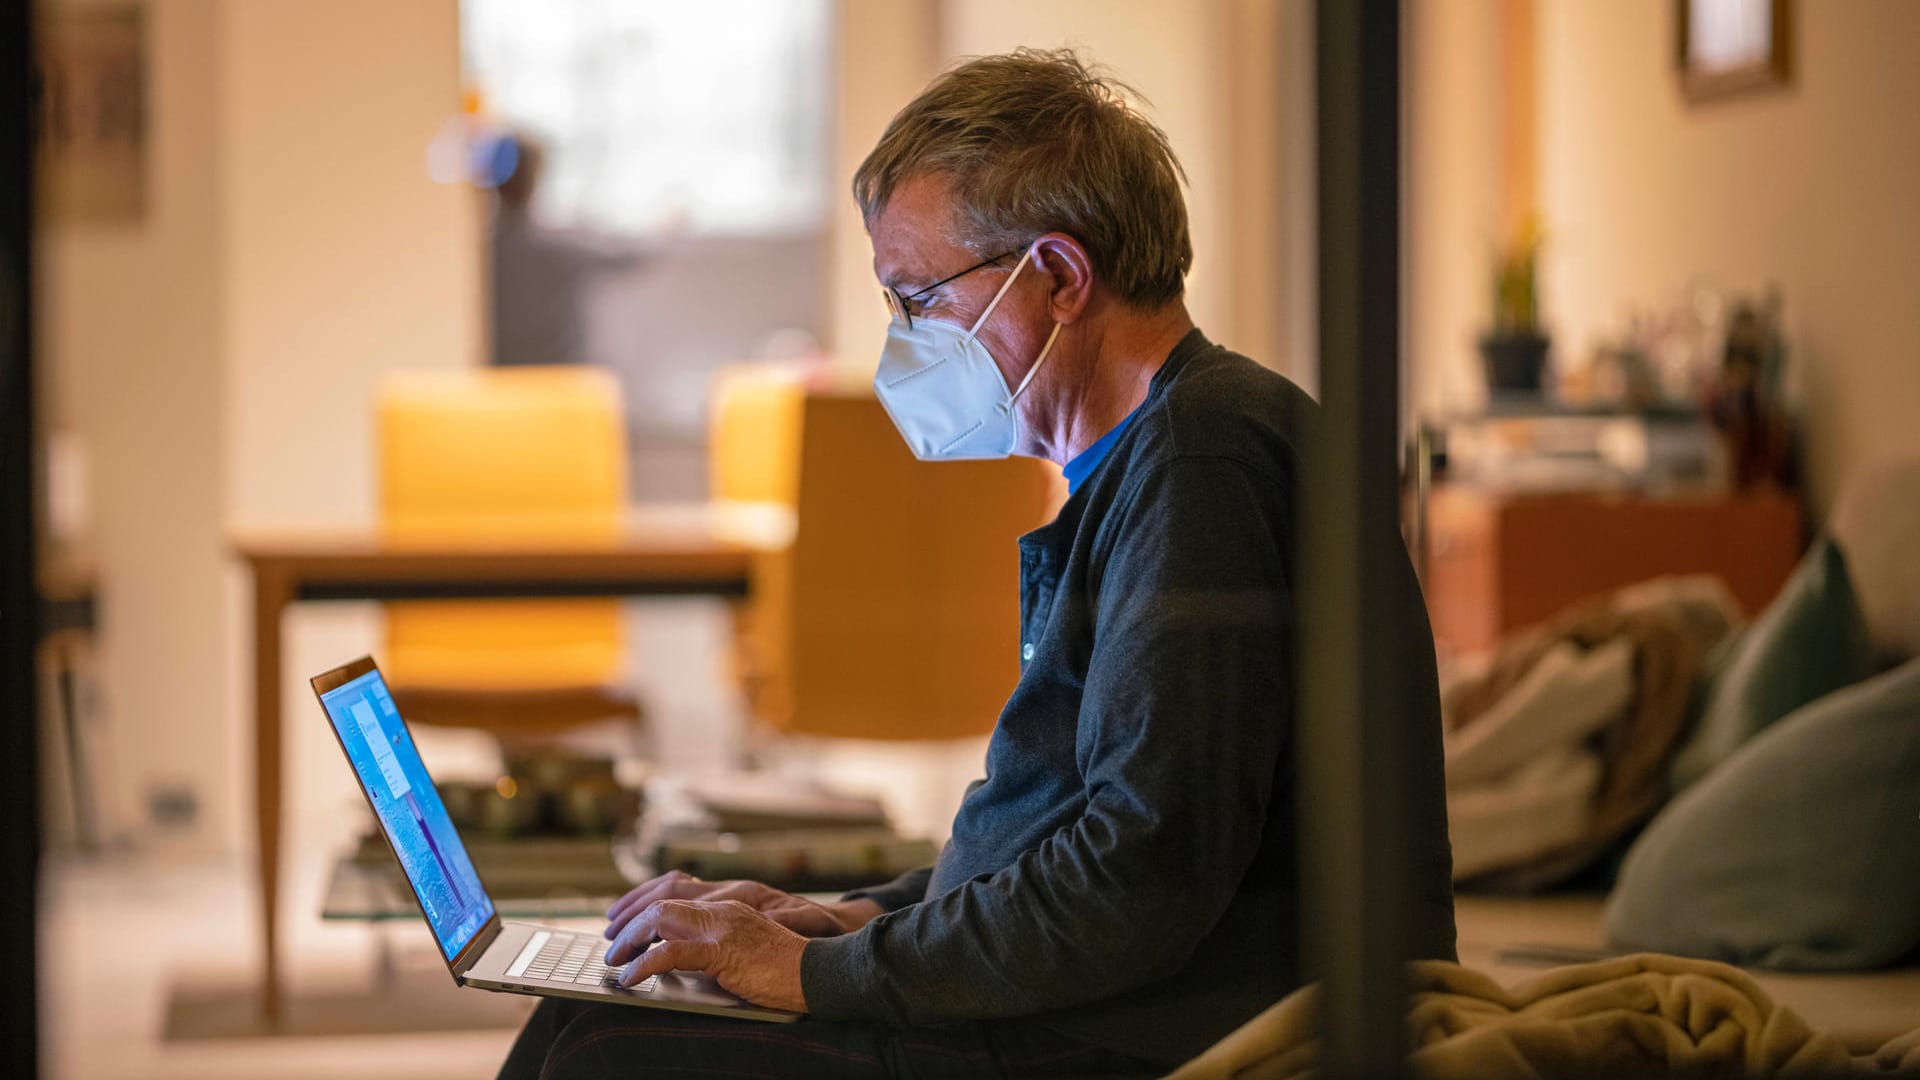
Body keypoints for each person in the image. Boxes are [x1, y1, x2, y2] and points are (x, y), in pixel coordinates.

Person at [499, 47, 1455, 1080]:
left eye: (920, 299)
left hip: (1152, 1036)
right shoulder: (1154, 454)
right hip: (1094, 1005)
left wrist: (823, 976)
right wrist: (843, 920)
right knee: (587, 1008)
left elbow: (1136, 883)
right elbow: (1058, 835)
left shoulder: (1204, 461)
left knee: (604, 1045)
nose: (903, 342)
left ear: (1057, 277)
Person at [488, 133, 654, 369]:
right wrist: (667, 229)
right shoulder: (560, 245)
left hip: (501, 377)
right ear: (536, 177)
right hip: (562, 377)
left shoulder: (478, 252)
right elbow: (626, 257)